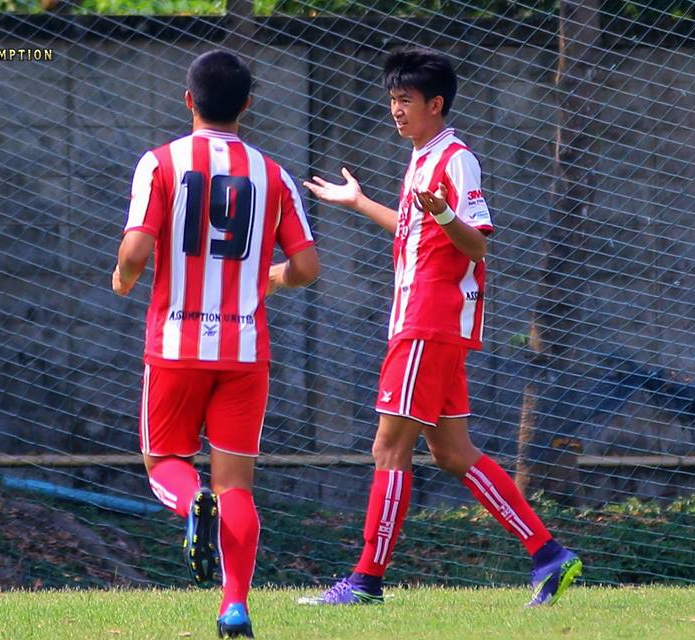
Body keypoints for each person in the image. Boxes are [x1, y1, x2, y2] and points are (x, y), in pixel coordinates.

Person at [298, 47, 581, 608]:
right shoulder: (422, 158)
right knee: (453, 452)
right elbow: (415, 229)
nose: (396, 110)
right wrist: (359, 202)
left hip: (427, 322)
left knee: (388, 448)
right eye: (392, 99)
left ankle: (366, 581)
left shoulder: (455, 159)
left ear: (436, 104)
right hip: (428, 323)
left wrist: (447, 214)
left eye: (405, 100)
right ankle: (549, 555)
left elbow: (476, 244)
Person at [112, 49, 320, 638]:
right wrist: (272, 278)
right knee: (237, 486)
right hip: (244, 349)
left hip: (176, 344)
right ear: (247, 105)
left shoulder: (160, 163)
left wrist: (123, 278)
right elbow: (307, 267)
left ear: (189, 100)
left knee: (163, 463)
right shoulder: (273, 174)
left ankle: (189, 504)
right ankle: (234, 606)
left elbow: (135, 251)